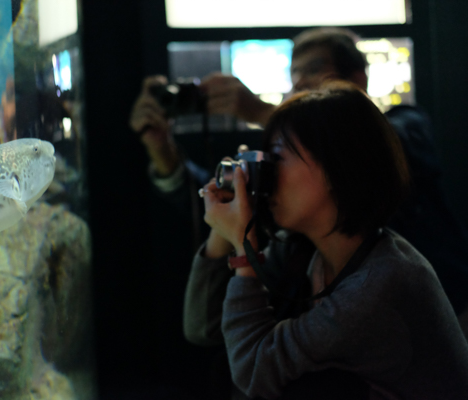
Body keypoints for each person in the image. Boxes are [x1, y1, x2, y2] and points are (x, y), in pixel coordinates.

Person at [130, 27, 468, 332]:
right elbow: (205, 325)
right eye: (294, 74)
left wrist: (266, 113)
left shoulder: (405, 124)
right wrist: (162, 149)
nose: (301, 83)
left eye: (315, 69)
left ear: (357, 78)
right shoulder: (299, 252)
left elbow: (362, 149)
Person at [193, 81, 468, 399]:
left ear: (339, 168)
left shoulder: (379, 284)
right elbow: (205, 326)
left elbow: (253, 372)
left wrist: (244, 248)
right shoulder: (310, 251)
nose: (265, 175)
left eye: (277, 159)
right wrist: (227, 216)